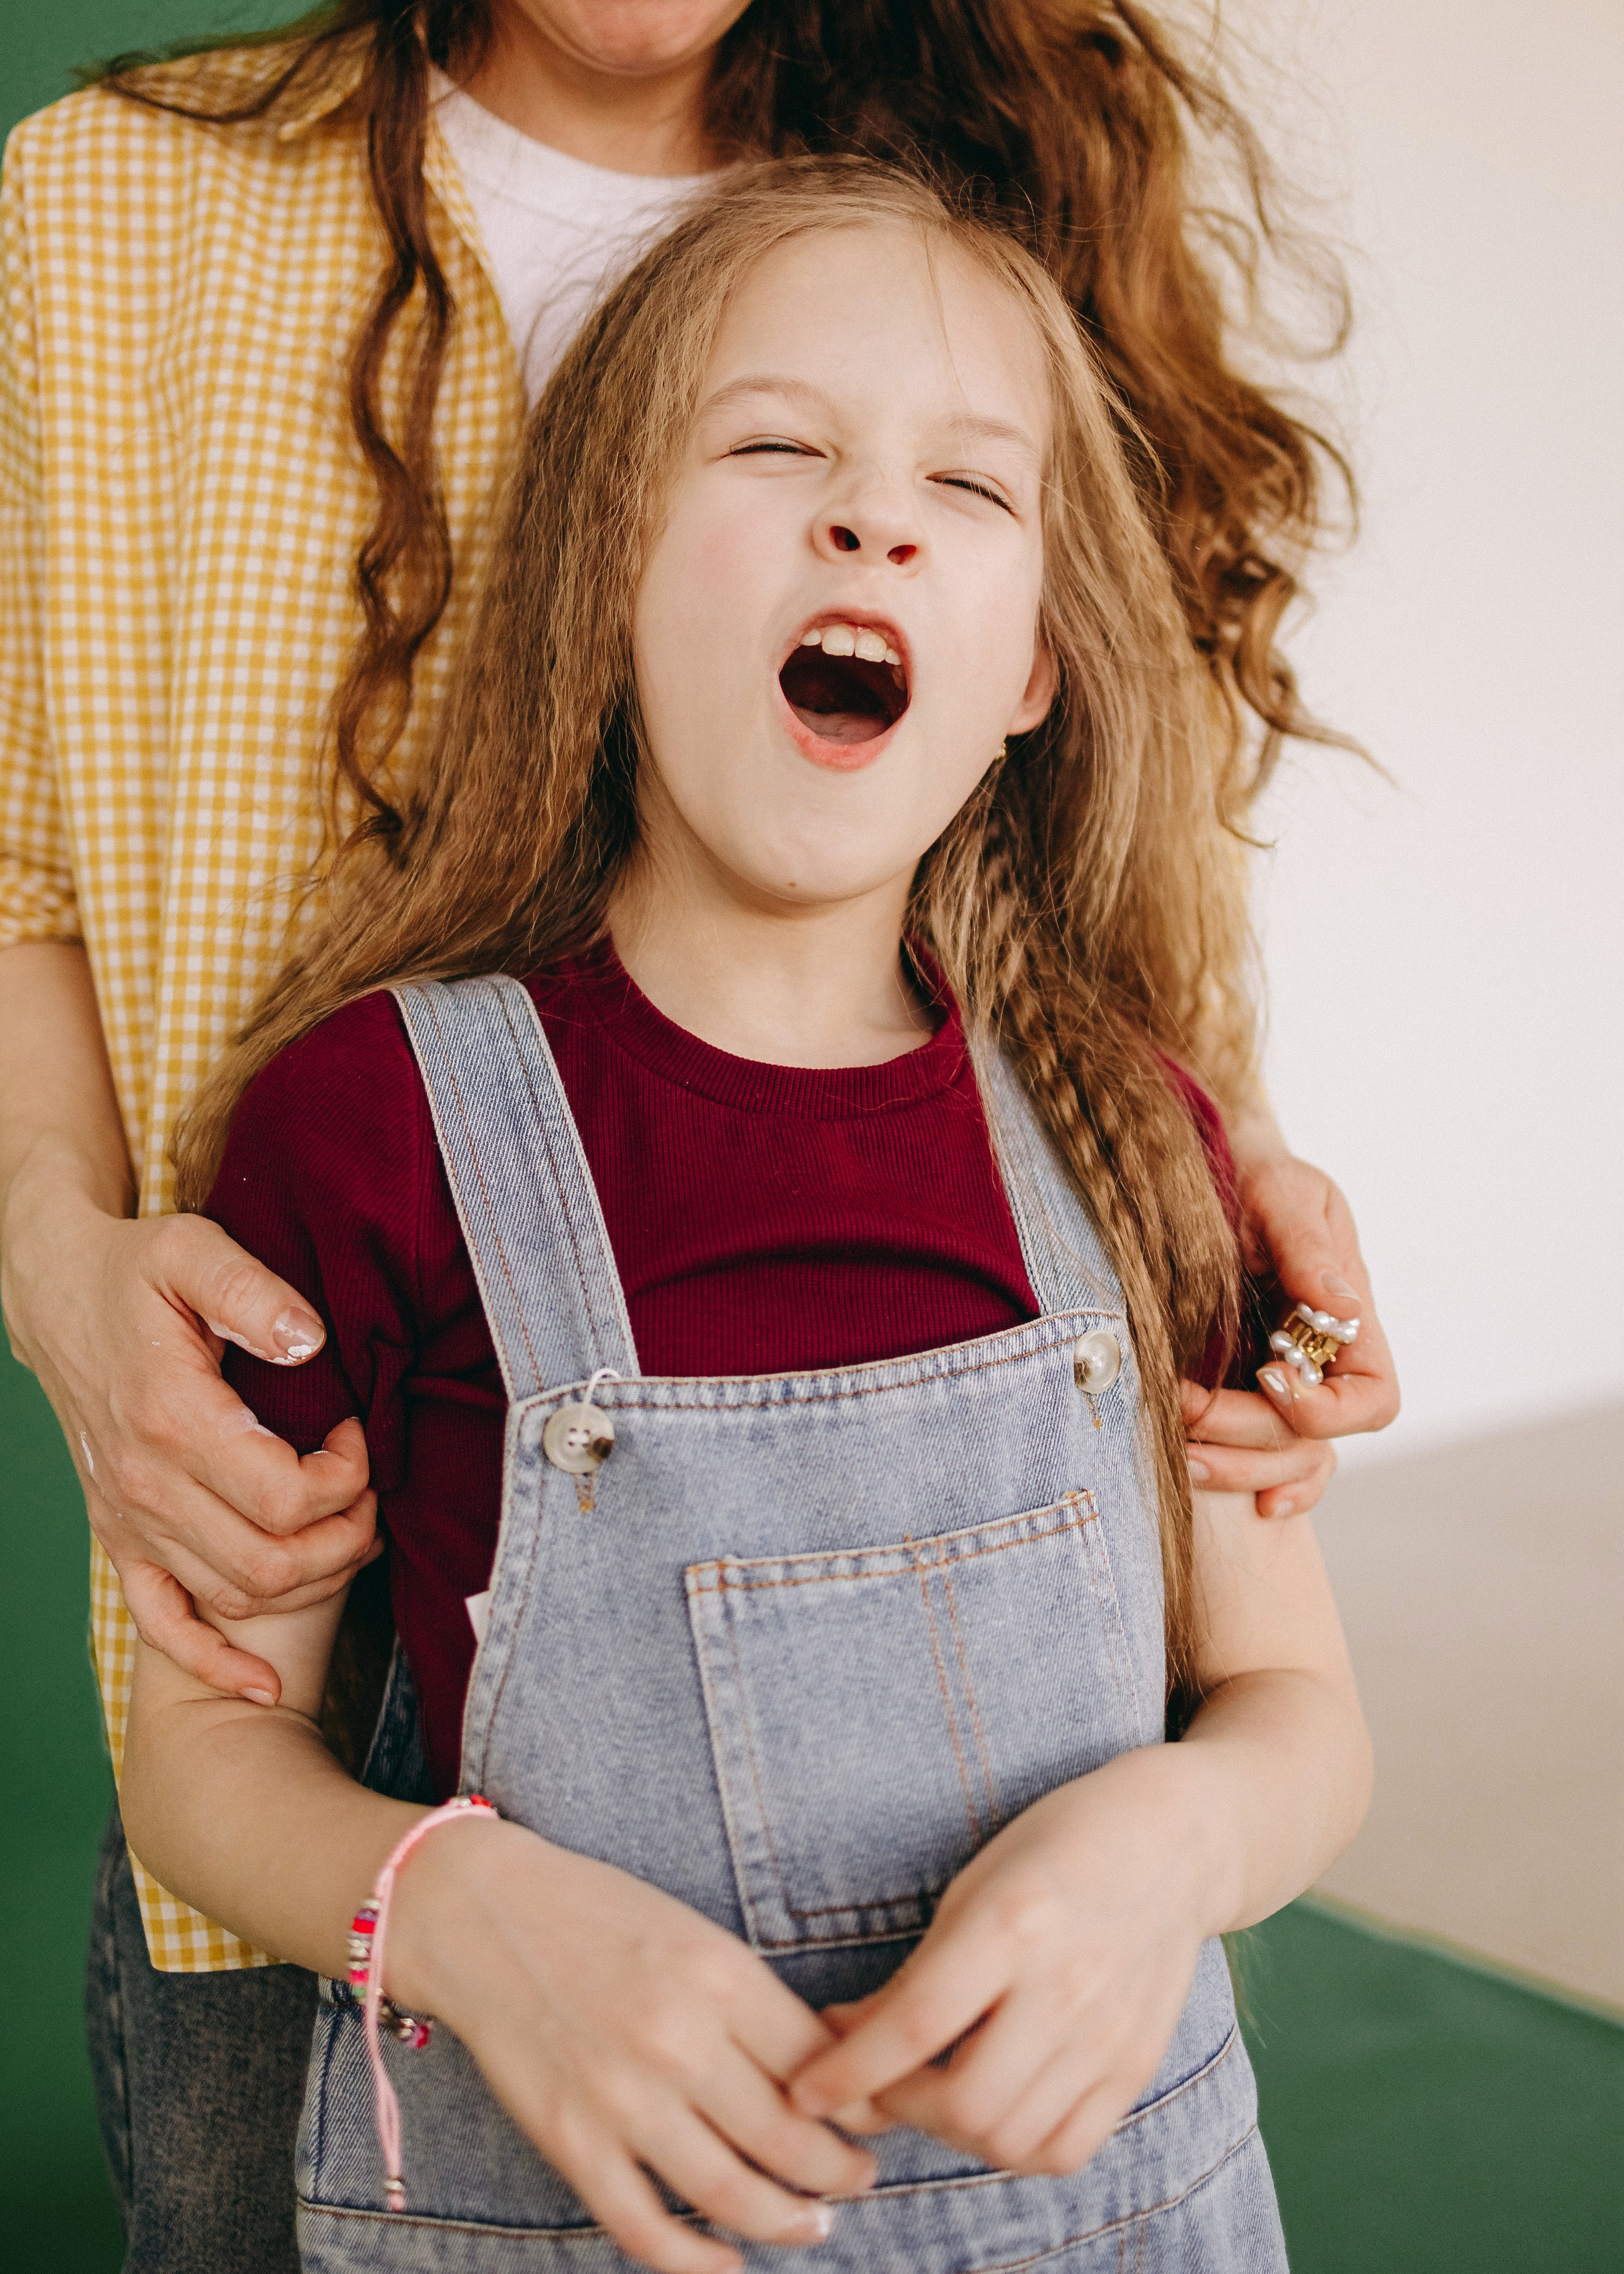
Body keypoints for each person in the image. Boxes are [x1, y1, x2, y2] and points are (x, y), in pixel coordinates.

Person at [0, 1, 1394, 2263]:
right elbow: (204, 1755)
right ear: (604, 570)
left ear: (1044, 651)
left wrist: (1174, 1842)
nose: (873, 509)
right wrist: (458, 1913)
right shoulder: (370, 1133)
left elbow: (1296, 1715)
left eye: (970, 485)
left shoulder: (1132, 1147)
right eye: (777, 453)